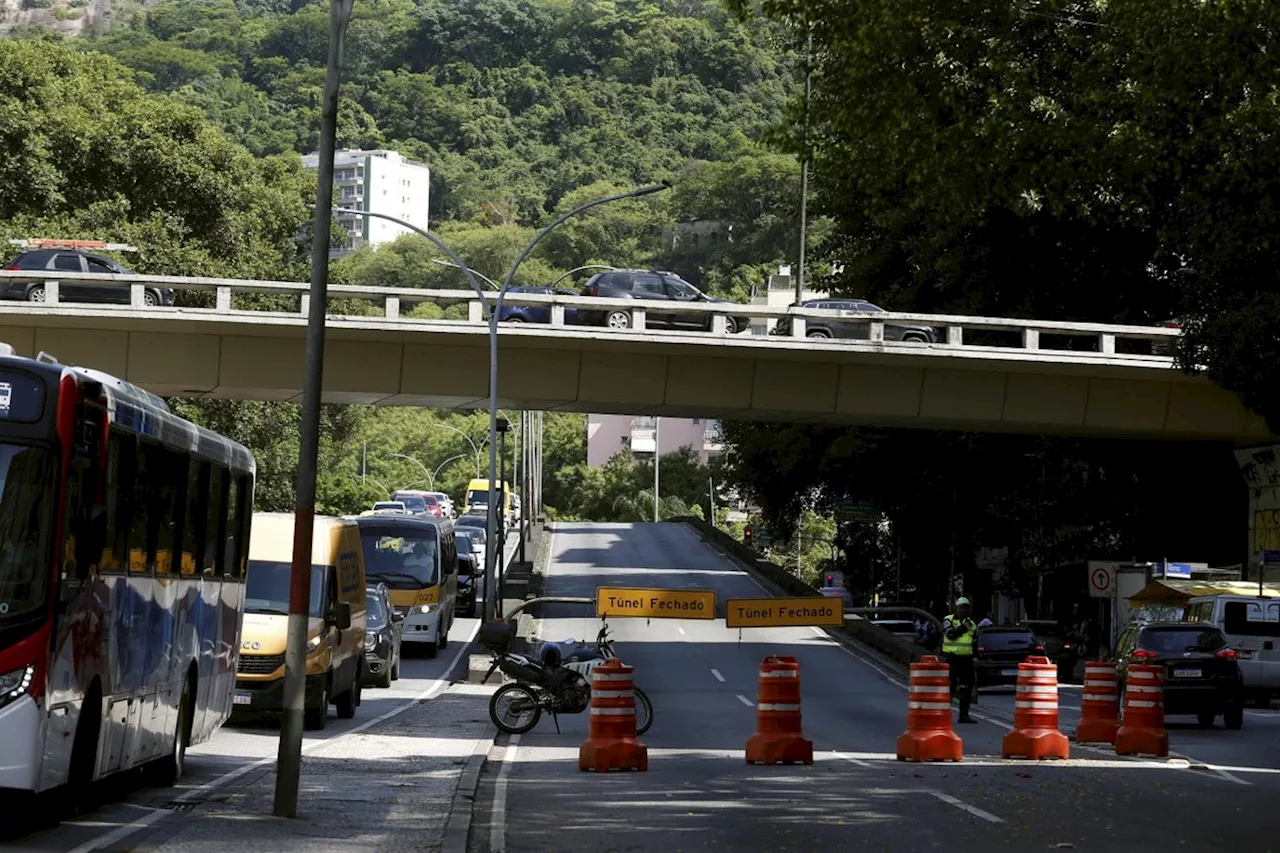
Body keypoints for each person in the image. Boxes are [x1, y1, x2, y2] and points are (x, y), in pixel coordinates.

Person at [942, 596, 978, 724]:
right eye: (962, 608)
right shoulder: (948, 620)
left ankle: (964, 715)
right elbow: (951, 635)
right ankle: (944, 715)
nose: (964, 610)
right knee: (949, 687)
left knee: (967, 688)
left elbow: (974, 642)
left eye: (966, 608)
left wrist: (975, 657)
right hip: (952, 659)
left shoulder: (972, 624)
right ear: (956, 608)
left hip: (966, 660)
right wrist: (963, 627)